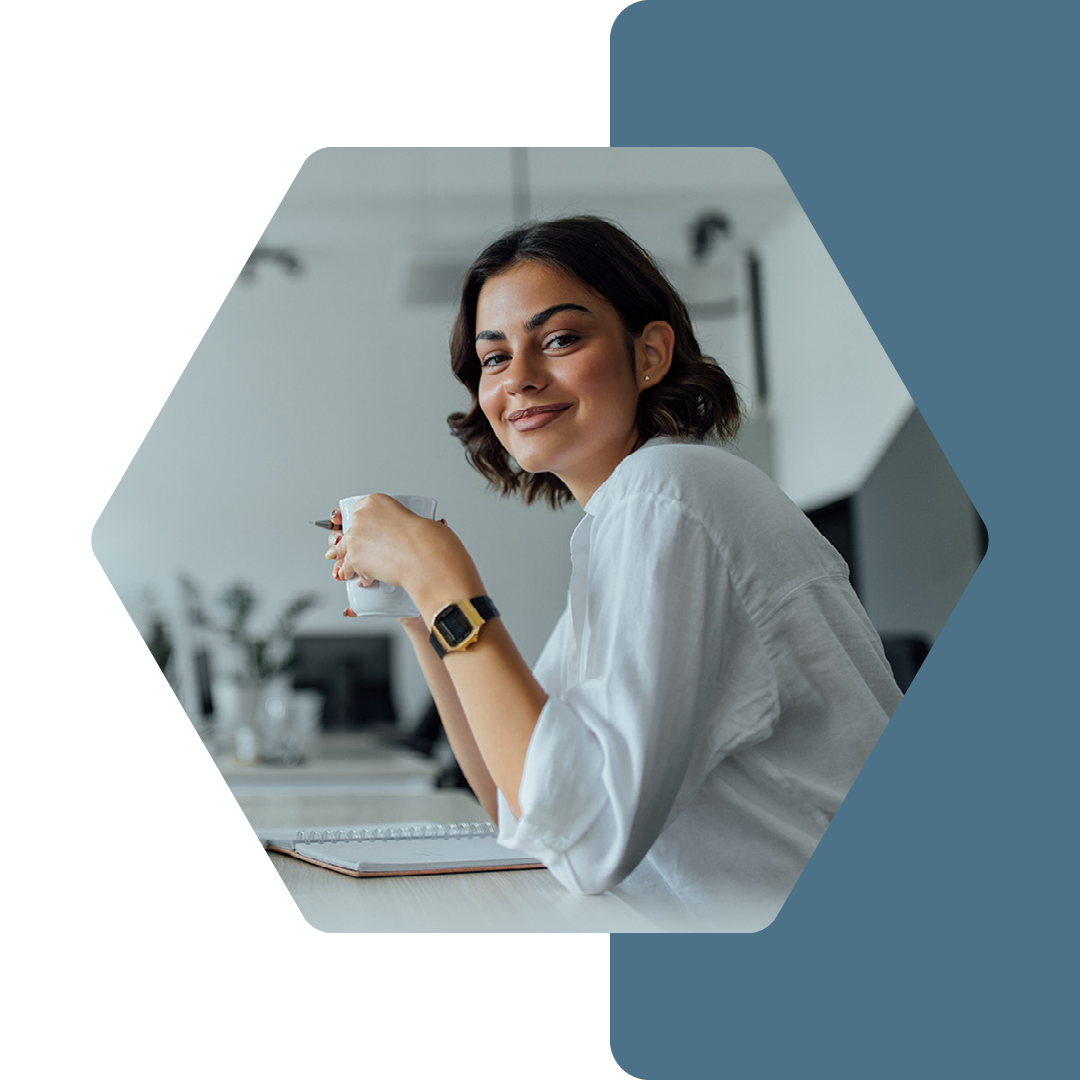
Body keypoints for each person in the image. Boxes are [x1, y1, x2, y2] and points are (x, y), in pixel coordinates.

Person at [327, 215, 902, 931]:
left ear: (651, 352)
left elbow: (587, 836)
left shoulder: (669, 491)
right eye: (494, 358)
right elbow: (525, 805)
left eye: (560, 339)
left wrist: (446, 579)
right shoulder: (623, 523)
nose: (522, 379)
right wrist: (422, 609)